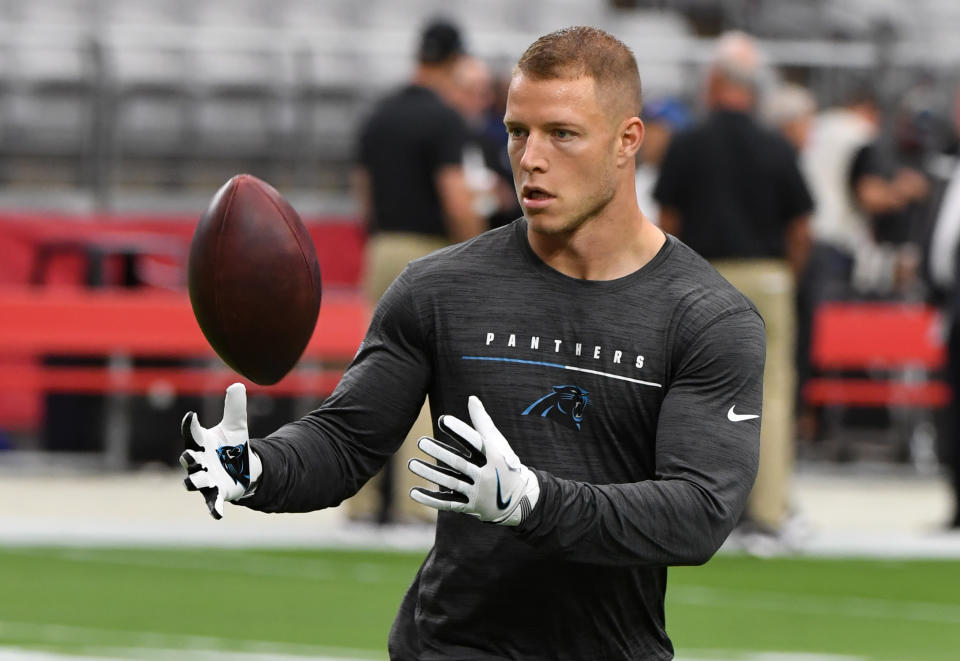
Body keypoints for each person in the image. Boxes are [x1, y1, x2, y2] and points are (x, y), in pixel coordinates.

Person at [179, 26, 765, 660]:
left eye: (562, 134)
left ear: (628, 141)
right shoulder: (440, 287)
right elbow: (346, 442)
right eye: (517, 132)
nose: (531, 157)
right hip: (449, 647)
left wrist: (533, 502)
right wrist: (258, 468)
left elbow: (698, 512)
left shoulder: (708, 316)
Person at [654, 31, 813, 546]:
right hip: (766, 275)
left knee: (693, 393)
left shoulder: (689, 140)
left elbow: (667, 220)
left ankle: (698, 506)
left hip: (701, 277)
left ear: (716, 80)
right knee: (771, 395)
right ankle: (766, 514)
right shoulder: (775, 144)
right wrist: (786, 273)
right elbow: (801, 228)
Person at [349, 18, 486, 524]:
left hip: (383, 246)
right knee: (426, 376)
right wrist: (477, 250)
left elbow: (362, 189)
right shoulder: (444, 119)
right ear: (453, 63)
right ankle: (417, 501)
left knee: (370, 375)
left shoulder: (380, 115)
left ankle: (359, 499)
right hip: (428, 252)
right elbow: (455, 194)